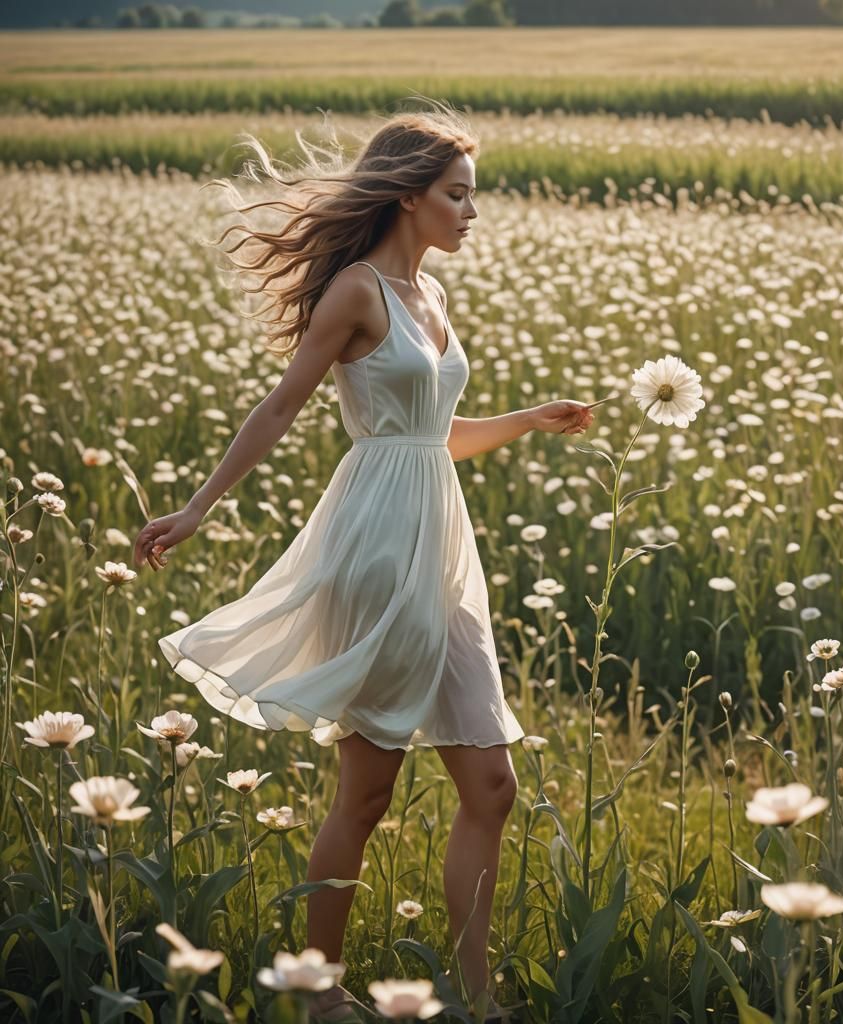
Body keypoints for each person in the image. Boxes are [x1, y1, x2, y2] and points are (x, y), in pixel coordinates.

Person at [132, 100, 596, 1021]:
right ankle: (320, 993)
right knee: (370, 787)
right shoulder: (355, 291)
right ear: (407, 197)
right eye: (458, 196)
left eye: (472, 197)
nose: (472, 213)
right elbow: (280, 407)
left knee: (492, 785)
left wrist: (528, 421)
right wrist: (196, 507)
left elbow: (434, 437)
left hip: (439, 536)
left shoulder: (434, 296)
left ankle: (475, 998)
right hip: (378, 545)